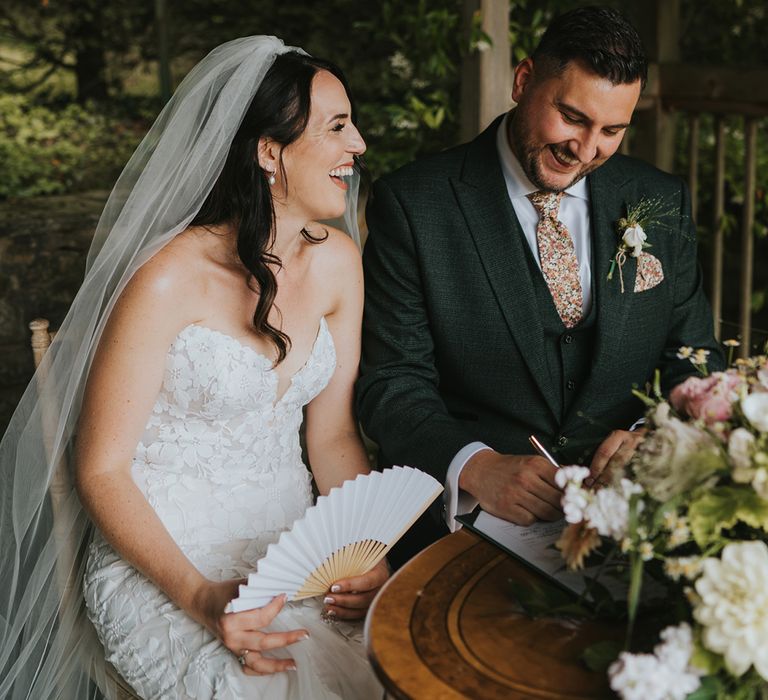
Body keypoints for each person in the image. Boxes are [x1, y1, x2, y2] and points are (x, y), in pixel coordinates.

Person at [0, 36, 385, 699]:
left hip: (291, 545)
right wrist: (203, 598)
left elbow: (331, 437)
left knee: (393, 666)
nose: (359, 147)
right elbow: (101, 469)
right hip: (167, 562)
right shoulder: (165, 280)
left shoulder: (341, 262)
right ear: (269, 151)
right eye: (337, 127)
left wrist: (366, 551)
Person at [356, 7, 724, 565]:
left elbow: (695, 357)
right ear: (524, 81)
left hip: (634, 524)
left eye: (612, 130)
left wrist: (655, 434)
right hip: (470, 529)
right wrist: (475, 466)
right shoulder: (415, 205)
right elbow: (392, 382)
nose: (586, 149)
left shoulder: (659, 198)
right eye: (572, 117)